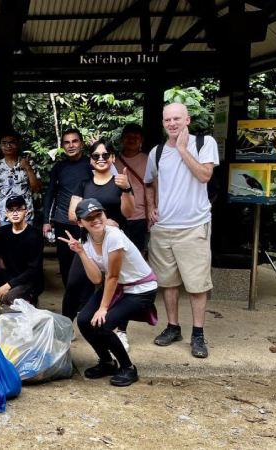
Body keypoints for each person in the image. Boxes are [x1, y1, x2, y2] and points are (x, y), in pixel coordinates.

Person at [144, 103, 219, 358]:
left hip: (194, 226)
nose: (172, 123)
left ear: (187, 120)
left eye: (177, 118)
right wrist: (151, 208)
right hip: (163, 227)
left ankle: (198, 334)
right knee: (168, 282)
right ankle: (173, 327)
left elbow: (205, 175)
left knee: (197, 284)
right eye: (168, 120)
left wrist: (183, 149)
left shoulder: (204, 143)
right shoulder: (156, 152)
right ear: (163, 123)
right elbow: (148, 183)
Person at [59, 198, 158, 387]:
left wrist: (103, 308)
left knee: (102, 325)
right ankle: (107, 363)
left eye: (99, 214)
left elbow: (112, 276)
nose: (96, 220)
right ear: (80, 223)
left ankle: (128, 368)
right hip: (119, 286)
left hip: (140, 289)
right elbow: (96, 278)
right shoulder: (86, 240)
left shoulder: (114, 237)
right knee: (83, 320)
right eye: (89, 218)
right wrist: (81, 252)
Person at [66, 139, 135, 347]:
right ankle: (65, 327)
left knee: (120, 285)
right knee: (74, 284)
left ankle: (121, 331)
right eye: (96, 156)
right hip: (89, 242)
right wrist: (103, 222)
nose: (101, 159)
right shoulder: (84, 184)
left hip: (115, 243)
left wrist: (126, 189)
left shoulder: (120, 182)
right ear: (91, 160)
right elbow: (72, 214)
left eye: (105, 155)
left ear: (112, 157)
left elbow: (128, 212)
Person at [42, 129, 93, 289]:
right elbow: (50, 194)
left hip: (86, 222)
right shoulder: (59, 167)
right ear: (63, 146)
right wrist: (46, 221)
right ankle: (70, 295)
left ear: (82, 144)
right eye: (67, 142)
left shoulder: (91, 164)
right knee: (65, 264)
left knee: (87, 261)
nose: (71, 145)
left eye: (74, 141)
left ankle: (86, 299)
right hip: (62, 221)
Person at [0, 130, 41, 230]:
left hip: (26, 216)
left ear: (18, 144)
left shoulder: (29, 163)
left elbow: (37, 188)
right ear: (0, 145)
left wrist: (28, 168)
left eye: (12, 142)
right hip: (4, 217)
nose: (8, 146)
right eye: (4, 143)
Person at [114, 124, 150, 252]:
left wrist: (150, 217)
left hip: (140, 217)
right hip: (118, 217)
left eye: (136, 137)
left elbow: (153, 189)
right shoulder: (113, 162)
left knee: (138, 255)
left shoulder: (148, 160)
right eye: (128, 136)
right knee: (118, 255)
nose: (132, 139)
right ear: (122, 139)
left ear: (142, 139)